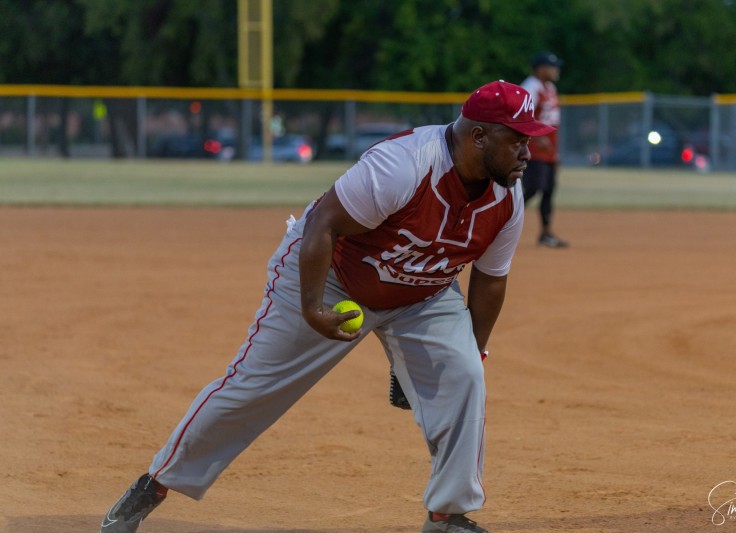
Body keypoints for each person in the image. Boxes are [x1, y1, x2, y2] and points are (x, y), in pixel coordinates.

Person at [100, 80, 553, 533]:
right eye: (517, 139)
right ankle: (154, 483)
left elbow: (491, 280)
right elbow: (322, 225)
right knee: (254, 387)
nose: (527, 152)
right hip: (334, 277)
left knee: (466, 377)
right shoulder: (405, 165)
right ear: (478, 136)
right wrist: (313, 308)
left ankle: (447, 516)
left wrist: (470, 352)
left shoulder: (506, 198)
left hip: (423, 294)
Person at [520, 51, 569, 248]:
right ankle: (499, 224)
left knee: (548, 190)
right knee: (533, 188)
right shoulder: (530, 87)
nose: (556, 70)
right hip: (532, 149)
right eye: (552, 66)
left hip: (549, 149)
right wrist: (537, 137)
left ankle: (546, 233)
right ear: (540, 69)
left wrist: (555, 153)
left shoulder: (550, 88)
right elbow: (522, 115)